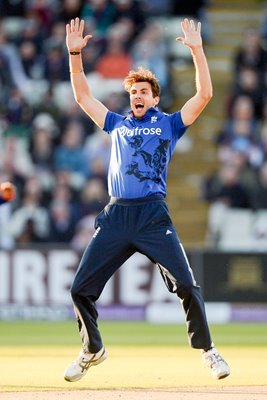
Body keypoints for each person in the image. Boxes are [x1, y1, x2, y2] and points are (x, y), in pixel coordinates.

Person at [64, 17, 230, 382]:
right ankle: (92, 348)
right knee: (79, 289)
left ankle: (209, 351)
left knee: (186, 285)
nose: (136, 96)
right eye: (132, 92)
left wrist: (197, 51)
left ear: (154, 98)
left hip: (153, 215)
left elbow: (204, 96)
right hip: (117, 215)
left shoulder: (169, 124)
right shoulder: (116, 124)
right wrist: (75, 55)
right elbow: (81, 96)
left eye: (142, 92)